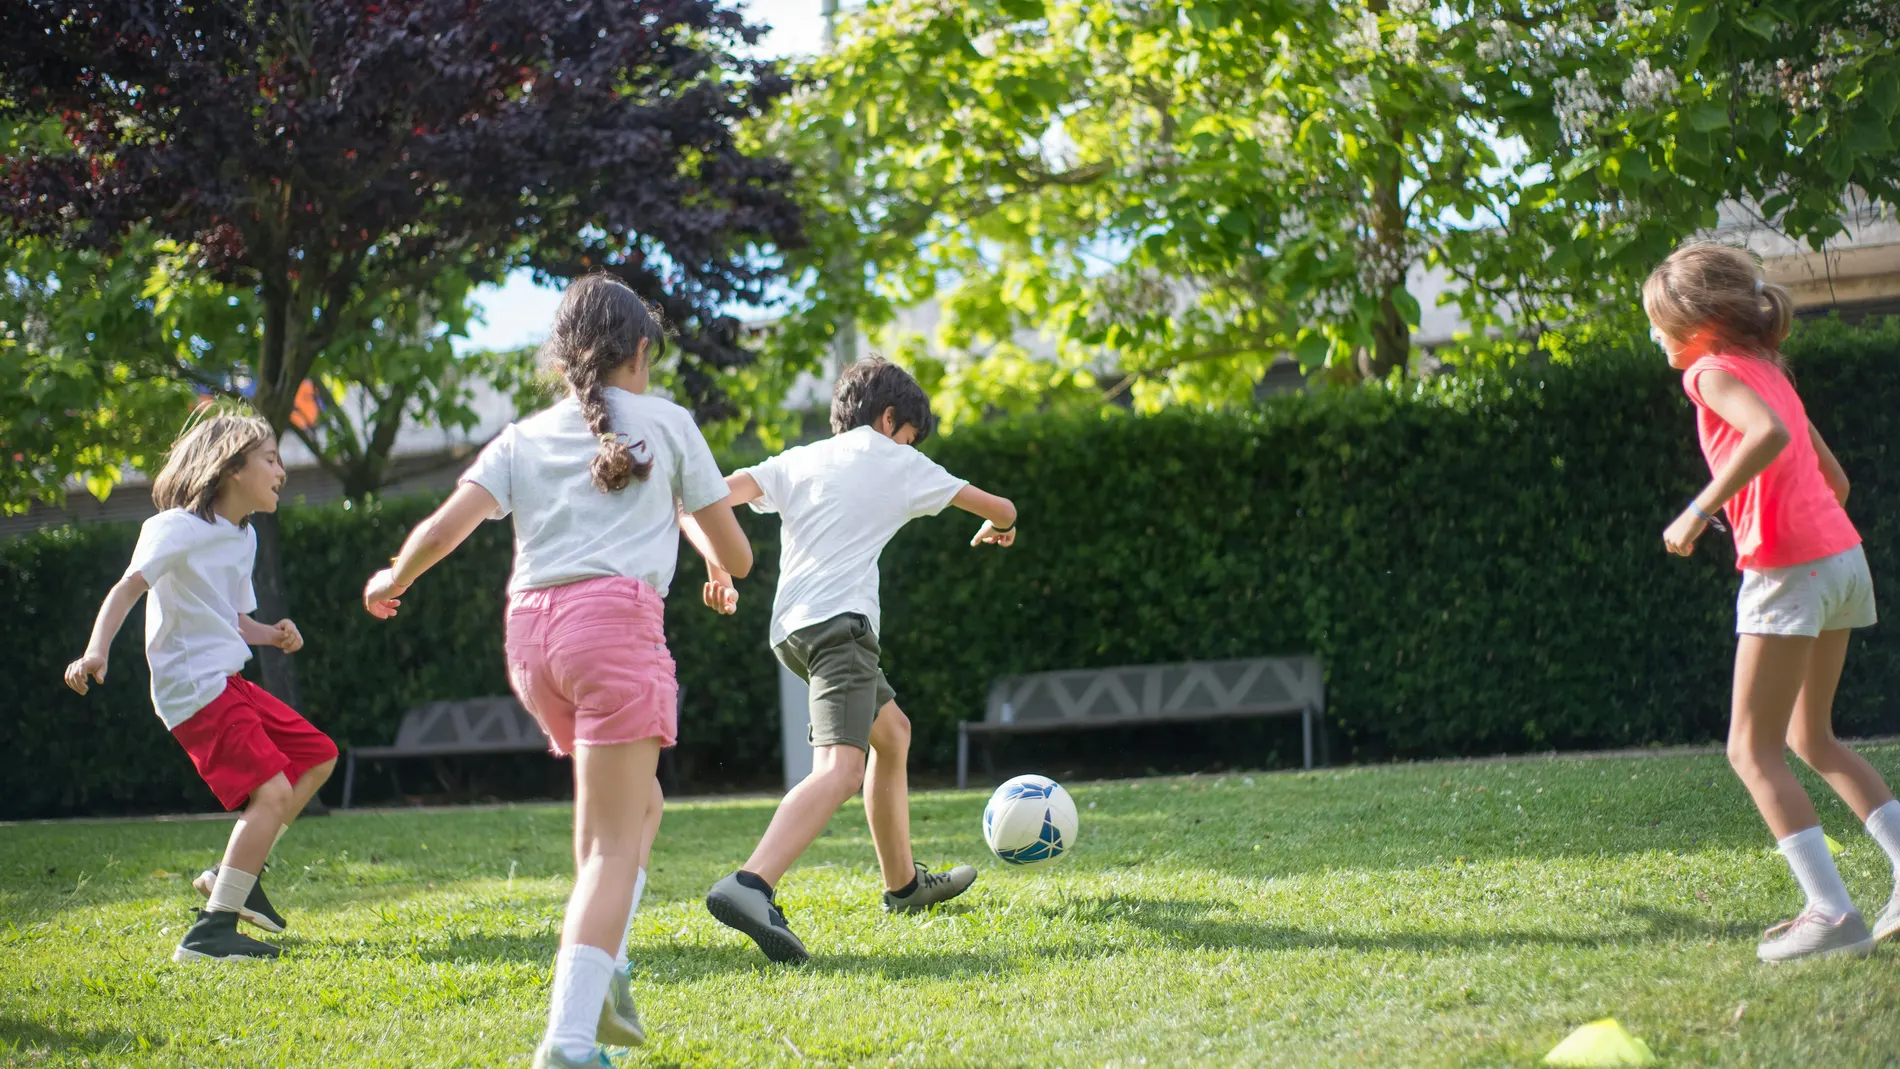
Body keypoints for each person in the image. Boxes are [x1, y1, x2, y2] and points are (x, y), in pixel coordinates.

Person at [362, 274, 752, 1067]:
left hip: (532, 641)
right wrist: (717, 556)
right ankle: (569, 1041)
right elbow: (738, 551)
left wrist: (391, 579)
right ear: (640, 350)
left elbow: (444, 530)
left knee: (635, 811)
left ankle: (604, 964)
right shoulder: (670, 422)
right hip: (612, 633)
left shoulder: (523, 435)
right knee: (616, 840)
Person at [699, 356, 1017, 964]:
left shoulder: (799, 459)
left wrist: (718, 564)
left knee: (892, 733)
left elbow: (715, 497)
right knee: (841, 770)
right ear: (890, 418)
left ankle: (903, 886)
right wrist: (1001, 527)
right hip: (840, 629)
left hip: (791, 631)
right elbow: (1000, 506)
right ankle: (751, 884)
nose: (909, 446)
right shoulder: (897, 459)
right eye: (909, 435)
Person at [1646, 243, 1894, 962]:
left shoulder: (1710, 371)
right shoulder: (1770, 372)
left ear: (1697, 322)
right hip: (1843, 559)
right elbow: (1837, 482)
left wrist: (1700, 510)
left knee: (1750, 748)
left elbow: (1769, 437)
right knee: (1810, 739)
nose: (1655, 336)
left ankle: (1831, 911)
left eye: (1658, 322)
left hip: (1790, 569)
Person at [63, 409, 336, 963]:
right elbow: (127, 589)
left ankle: (236, 876)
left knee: (317, 755)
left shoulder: (243, 537)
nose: (282, 470)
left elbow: (232, 619)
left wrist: (272, 634)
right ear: (233, 467)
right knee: (274, 792)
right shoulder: (173, 528)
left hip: (227, 679)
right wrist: (96, 651)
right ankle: (210, 935)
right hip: (194, 688)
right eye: (271, 459)